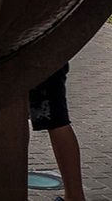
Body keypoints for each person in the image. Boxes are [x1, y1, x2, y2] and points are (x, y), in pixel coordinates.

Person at [30, 63, 86, 201]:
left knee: (56, 121)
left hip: (36, 61)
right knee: (56, 120)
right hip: (46, 60)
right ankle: (74, 196)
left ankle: (75, 197)